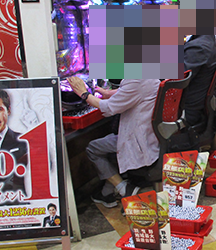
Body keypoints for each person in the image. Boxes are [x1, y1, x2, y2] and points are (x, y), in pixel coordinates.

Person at [68, 77, 160, 208]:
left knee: (93, 148)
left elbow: (109, 108)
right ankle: (106, 193)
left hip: (137, 140)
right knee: (108, 144)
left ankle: (124, 188)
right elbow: (136, 90)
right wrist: (108, 93)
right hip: (150, 134)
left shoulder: (135, 79)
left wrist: (84, 94)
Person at [183, 35, 216, 127]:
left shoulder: (198, 48)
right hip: (196, 105)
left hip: (186, 110)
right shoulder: (207, 38)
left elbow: (172, 79)